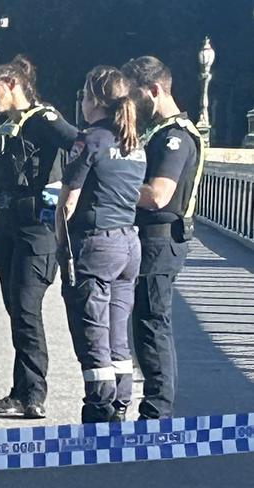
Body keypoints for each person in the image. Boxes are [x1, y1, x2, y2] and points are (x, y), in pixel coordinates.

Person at [0, 55, 78, 418]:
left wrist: (73, 192)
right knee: (15, 312)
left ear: (11, 84)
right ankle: (20, 389)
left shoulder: (44, 119)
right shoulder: (7, 123)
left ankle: (34, 393)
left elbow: (80, 145)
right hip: (8, 228)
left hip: (37, 231)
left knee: (26, 309)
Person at [56, 66, 145, 423]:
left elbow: (67, 203)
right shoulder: (133, 142)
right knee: (118, 330)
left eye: (83, 95)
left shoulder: (90, 140)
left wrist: (61, 245)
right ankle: (122, 401)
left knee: (91, 329)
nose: (81, 102)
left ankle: (100, 405)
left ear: (95, 99)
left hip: (95, 245)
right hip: (128, 244)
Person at [121, 56, 205, 420]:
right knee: (144, 321)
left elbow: (158, 194)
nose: (130, 102)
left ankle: (157, 411)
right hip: (151, 239)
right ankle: (155, 405)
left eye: (135, 94)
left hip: (159, 239)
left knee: (153, 324)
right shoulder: (160, 132)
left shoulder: (175, 138)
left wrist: (115, 185)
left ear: (154, 90)